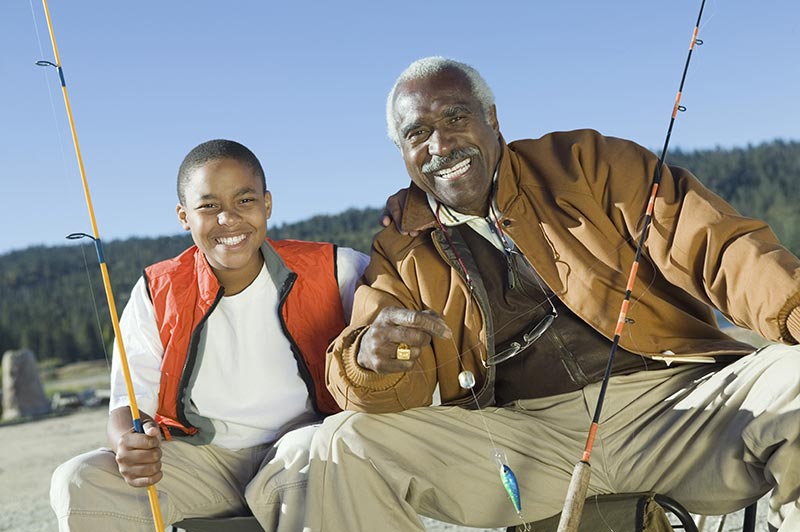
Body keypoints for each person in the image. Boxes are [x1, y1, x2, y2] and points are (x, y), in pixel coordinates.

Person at [305, 56, 800, 532]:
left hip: (676, 412)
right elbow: (375, 371)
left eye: (456, 117)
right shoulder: (398, 247)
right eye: (417, 133)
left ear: (493, 119)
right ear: (403, 153)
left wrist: (793, 308)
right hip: (524, 447)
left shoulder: (586, 163)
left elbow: (716, 246)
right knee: (339, 446)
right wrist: (370, 364)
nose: (440, 144)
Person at [50, 139, 368, 531]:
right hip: (201, 461)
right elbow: (127, 404)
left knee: (321, 449)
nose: (228, 219)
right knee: (78, 478)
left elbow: (387, 319)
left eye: (245, 200)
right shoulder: (157, 289)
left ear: (267, 204)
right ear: (184, 216)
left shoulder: (337, 268)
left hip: (303, 453)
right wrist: (126, 443)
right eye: (209, 206)